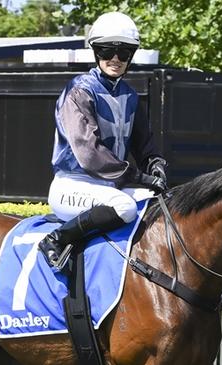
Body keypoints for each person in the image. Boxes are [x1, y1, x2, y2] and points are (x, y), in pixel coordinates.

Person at [37, 12, 167, 269]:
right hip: (72, 186)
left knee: (159, 205)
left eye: (124, 52)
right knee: (125, 207)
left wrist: (156, 165)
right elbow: (89, 153)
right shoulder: (79, 91)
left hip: (110, 187)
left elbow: (145, 145)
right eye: (108, 50)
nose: (116, 59)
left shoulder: (130, 95)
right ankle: (55, 239)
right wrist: (139, 177)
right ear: (96, 51)